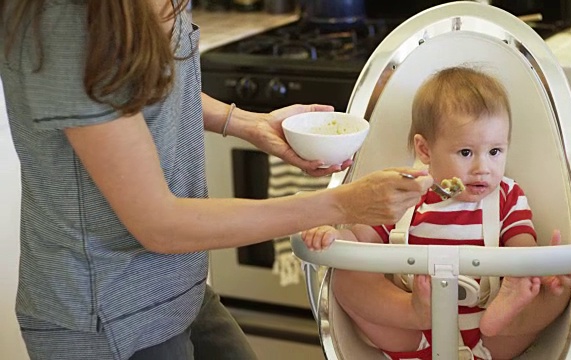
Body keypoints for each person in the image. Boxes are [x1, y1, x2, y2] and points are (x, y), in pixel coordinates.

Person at [0, 1, 432, 359]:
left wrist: (246, 122)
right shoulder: (64, 22)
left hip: (177, 287)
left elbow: (148, 82)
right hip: (112, 315)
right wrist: (341, 205)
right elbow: (159, 224)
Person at [302, 67, 571, 360]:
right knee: (344, 276)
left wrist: (539, 274)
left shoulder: (507, 196)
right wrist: (335, 236)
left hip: (491, 336)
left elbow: (523, 248)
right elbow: (361, 238)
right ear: (425, 150)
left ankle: (509, 314)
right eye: (466, 153)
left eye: (495, 151)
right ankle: (413, 310)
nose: (483, 167)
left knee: (563, 291)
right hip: (410, 332)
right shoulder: (405, 193)